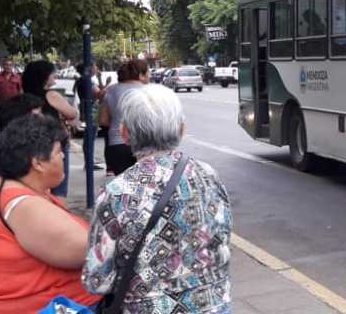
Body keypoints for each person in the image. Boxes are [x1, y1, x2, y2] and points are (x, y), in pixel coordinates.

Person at [82, 84, 232, 312]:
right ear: (182, 129)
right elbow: (221, 241)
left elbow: (97, 280)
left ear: (124, 134)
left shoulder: (117, 192)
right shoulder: (208, 176)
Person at [0, 114, 101, 313]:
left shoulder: (5, 187)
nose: (64, 157)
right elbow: (92, 251)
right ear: (38, 163)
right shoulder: (23, 206)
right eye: (58, 152)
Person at [21, 60, 78, 196]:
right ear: (44, 77)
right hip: (54, 145)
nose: (55, 76)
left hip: (31, 145)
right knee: (58, 188)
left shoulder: (23, 97)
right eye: (52, 73)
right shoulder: (51, 95)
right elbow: (72, 113)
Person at [98, 59, 148, 175]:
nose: (149, 76)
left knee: (124, 185)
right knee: (143, 183)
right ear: (141, 75)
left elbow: (103, 121)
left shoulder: (110, 90)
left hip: (117, 144)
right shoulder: (148, 91)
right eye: (148, 73)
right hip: (143, 145)